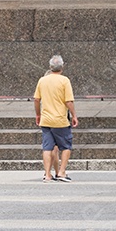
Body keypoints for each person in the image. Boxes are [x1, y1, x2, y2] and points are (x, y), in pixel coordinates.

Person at [34, 55, 78, 183]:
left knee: (47, 148)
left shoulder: (42, 80)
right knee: (66, 147)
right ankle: (61, 172)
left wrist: (38, 114)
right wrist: (74, 115)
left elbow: (36, 99)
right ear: (62, 67)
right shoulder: (64, 81)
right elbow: (68, 101)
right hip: (60, 120)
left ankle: (47, 175)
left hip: (46, 120)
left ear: (50, 67)